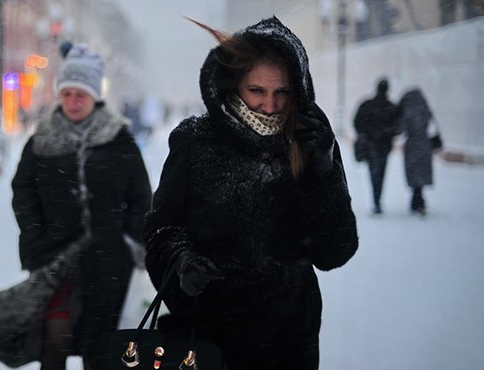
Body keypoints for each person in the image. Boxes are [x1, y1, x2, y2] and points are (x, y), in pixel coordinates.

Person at [143, 17, 358, 370]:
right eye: (257, 91)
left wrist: (322, 176)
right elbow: (162, 230)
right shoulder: (196, 141)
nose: (270, 106)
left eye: (282, 92)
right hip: (208, 338)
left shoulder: (310, 141)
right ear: (233, 85)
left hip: (289, 340)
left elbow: (335, 251)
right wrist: (181, 261)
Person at [11, 44, 152, 370]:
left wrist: (132, 241)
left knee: (100, 348)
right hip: (55, 259)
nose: (73, 102)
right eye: (67, 93)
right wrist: (35, 236)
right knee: (54, 339)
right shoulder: (42, 140)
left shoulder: (119, 139)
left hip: (108, 264)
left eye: (81, 95)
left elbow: (141, 197)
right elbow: (23, 192)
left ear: (95, 97)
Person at [353, 77, 402, 214]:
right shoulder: (391, 107)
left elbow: (357, 123)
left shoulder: (367, 105)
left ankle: (376, 201)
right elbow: (398, 127)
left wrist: (367, 134)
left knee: (374, 174)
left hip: (371, 145)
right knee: (380, 174)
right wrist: (386, 132)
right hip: (384, 147)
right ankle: (377, 200)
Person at [398, 88, 436, 216]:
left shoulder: (407, 111)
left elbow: (401, 128)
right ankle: (418, 199)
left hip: (412, 145)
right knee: (421, 173)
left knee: (414, 173)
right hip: (425, 145)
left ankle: (417, 200)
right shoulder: (425, 109)